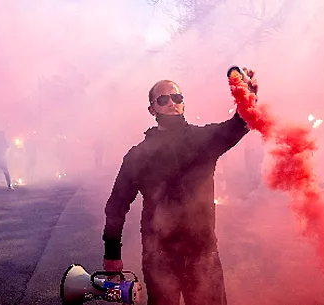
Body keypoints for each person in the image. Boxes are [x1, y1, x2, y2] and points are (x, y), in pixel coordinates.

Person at [102, 68, 258, 305]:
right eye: (163, 99)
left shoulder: (203, 140)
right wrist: (112, 255)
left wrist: (248, 97)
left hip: (202, 253)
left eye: (177, 98)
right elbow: (116, 205)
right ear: (152, 110)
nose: (172, 103)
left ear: (184, 104)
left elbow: (238, 125)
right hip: (159, 255)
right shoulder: (138, 155)